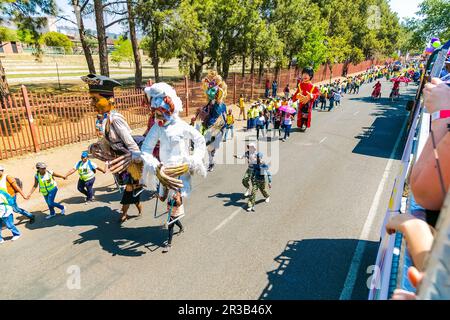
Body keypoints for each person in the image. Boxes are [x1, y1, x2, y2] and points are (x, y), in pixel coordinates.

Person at [82, 74, 144, 223]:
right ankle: (137, 207)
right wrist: (95, 148)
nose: (92, 103)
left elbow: (132, 146)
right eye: (92, 99)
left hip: (130, 162)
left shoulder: (116, 120)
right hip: (120, 162)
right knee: (132, 189)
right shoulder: (106, 119)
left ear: (110, 100)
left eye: (95, 99)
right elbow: (108, 142)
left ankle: (124, 213)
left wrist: (136, 162)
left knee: (130, 188)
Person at [192, 70, 227, 172]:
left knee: (207, 144)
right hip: (208, 126)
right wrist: (199, 114)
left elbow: (220, 119)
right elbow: (205, 113)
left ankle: (207, 161)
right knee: (204, 145)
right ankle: (207, 161)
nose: (209, 92)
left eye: (212, 90)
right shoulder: (210, 103)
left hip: (216, 128)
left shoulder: (220, 105)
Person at [159, 188, 185, 253]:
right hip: (170, 208)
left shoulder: (177, 191)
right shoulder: (167, 189)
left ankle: (169, 244)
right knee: (174, 220)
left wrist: (176, 199)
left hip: (176, 210)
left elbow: (179, 203)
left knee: (170, 225)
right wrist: (158, 196)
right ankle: (182, 228)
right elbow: (163, 199)